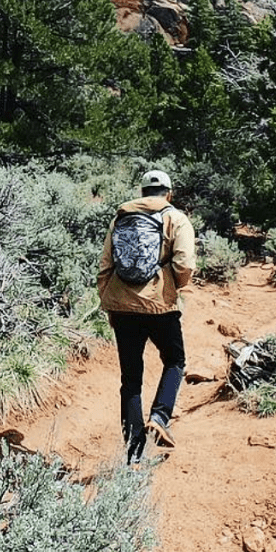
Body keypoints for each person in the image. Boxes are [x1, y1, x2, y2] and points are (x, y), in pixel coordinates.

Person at [97, 169, 197, 465]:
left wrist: (109, 301)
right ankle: (160, 416)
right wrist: (173, 288)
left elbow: (105, 264)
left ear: (142, 193)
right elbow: (184, 263)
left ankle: (133, 451)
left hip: (121, 307)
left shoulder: (120, 218)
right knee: (175, 360)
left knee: (131, 380)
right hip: (159, 307)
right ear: (169, 193)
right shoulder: (176, 219)